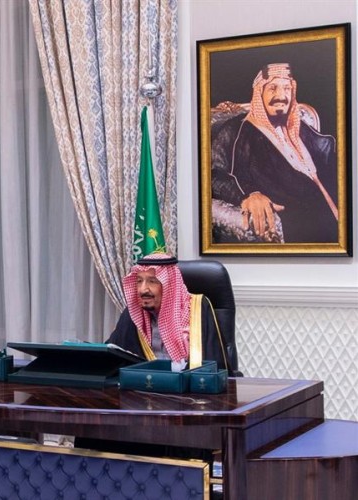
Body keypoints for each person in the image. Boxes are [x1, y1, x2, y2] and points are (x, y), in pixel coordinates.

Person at [211, 63, 338, 243]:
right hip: (303, 224)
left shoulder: (301, 128)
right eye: (272, 88)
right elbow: (214, 174)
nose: (281, 96)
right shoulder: (236, 130)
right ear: (259, 93)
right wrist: (249, 194)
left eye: (287, 88)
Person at [106, 252, 234, 375]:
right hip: (144, 386)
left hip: (187, 387)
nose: (143, 289)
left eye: (152, 281)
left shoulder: (197, 308)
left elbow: (214, 365)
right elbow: (112, 355)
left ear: (169, 284)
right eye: (139, 281)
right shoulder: (133, 312)